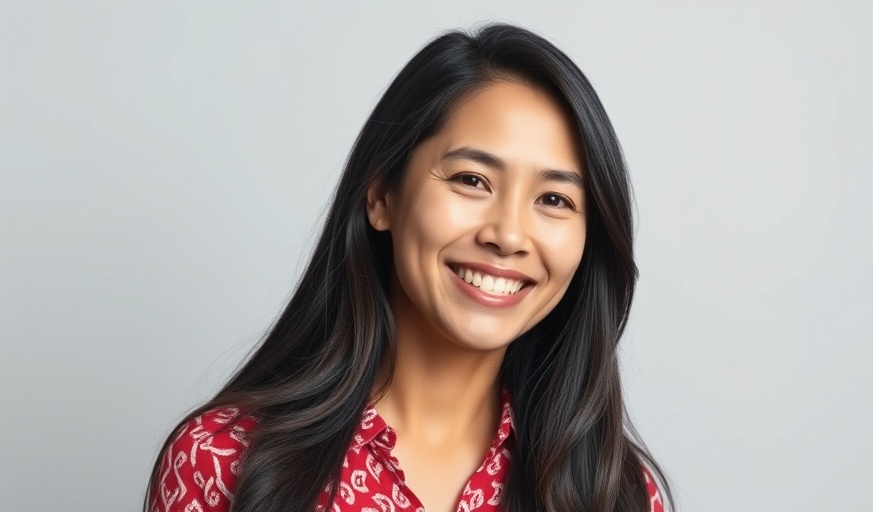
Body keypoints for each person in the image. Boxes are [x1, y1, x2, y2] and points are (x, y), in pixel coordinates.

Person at [145, 23, 671, 512]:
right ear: (382, 196)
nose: (509, 235)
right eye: (472, 180)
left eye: (554, 199)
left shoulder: (618, 494)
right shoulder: (221, 462)